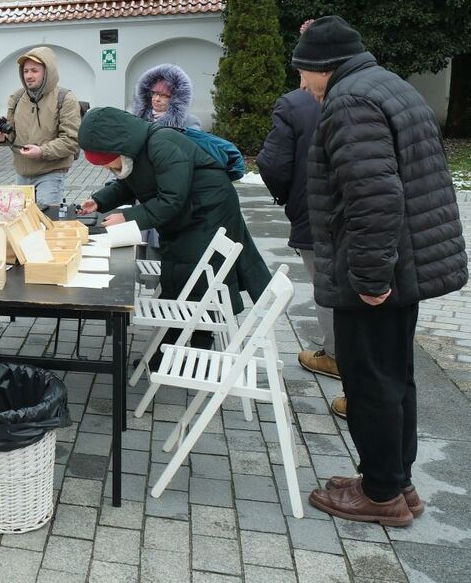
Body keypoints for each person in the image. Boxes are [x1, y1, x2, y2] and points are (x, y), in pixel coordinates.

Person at [295, 15, 467, 527]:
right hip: (404, 264)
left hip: (377, 272)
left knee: (370, 381)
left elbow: (374, 196)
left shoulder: (350, 101)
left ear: (323, 67)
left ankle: (381, 495)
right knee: (394, 378)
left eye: (303, 73)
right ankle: (393, 481)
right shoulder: (386, 85)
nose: (302, 85)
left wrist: (370, 279)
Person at [78, 107, 270, 331]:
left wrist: (128, 217)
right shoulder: (135, 151)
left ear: (119, 149)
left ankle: (199, 340)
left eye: (107, 164)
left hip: (209, 210)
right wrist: (99, 201)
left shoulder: (162, 144)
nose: (108, 169)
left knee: (197, 272)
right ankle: (176, 332)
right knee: (179, 268)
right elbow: (130, 183)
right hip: (189, 211)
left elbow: (171, 200)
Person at [256, 38, 344, 417]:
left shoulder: (296, 102)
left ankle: (339, 357)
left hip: (318, 210)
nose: (303, 79)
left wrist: (287, 196)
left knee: (328, 286)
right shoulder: (374, 91)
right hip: (355, 214)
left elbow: (273, 163)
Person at [0, 47, 81, 208]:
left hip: (51, 173)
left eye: (34, 70)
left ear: (47, 72)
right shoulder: (17, 97)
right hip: (22, 174)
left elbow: (71, 140)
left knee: (45, 221)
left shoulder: (65, 98)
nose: (28, 76)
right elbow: (12, 134)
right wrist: (3, 138)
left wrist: (41, 151)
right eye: (25, 71)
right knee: (24, 224)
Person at [132, 63, 201, 129]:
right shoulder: (138, 119)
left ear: (175, 99)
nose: (156, 99)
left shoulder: (189, 122)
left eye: (164, 96)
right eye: (154, 93)